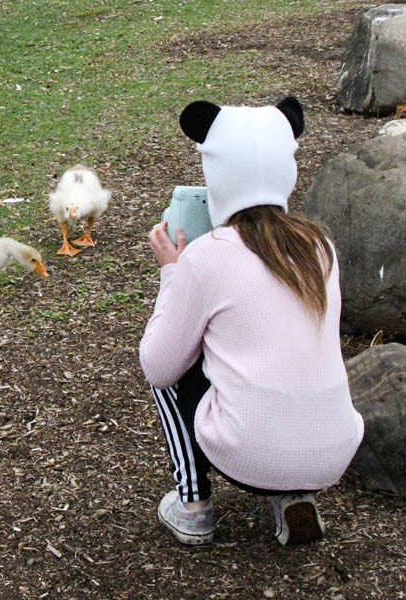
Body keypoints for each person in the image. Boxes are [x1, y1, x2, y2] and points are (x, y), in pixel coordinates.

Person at [139, 97, 364, 546]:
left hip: (249, 454)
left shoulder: (209, 255)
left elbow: (158, 366)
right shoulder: (319, 246)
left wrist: (172, 272)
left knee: (171, 367)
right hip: (334, 453)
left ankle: (193, 506)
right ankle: (294, 497)